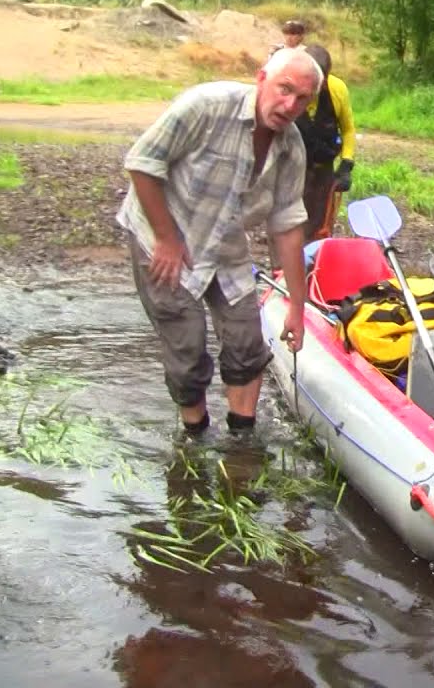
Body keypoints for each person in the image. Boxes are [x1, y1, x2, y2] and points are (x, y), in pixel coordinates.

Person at [118, 47, 322, 437]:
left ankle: (241, 441)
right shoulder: (206, 106)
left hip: (224, 244)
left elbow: (289, 224)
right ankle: (194, 437)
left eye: (302, 99)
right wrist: (166, 238)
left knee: (247, 343)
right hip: (161, 236)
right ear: (262, 78)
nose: (289, 104)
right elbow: (142, 162)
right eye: (284, 89)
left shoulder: (291, 146)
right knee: (187, 350)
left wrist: (298, 305)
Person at [295, 44, 356, 242]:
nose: (319, 87)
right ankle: (282, 269)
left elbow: (348, 129)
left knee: (320, 225)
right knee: (289, 224)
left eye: (323, 81)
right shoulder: (288, 91)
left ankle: (315, 266)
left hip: (323, 167)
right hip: (292, 168)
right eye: (314, 81)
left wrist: (346, 163)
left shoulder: (337, 90)